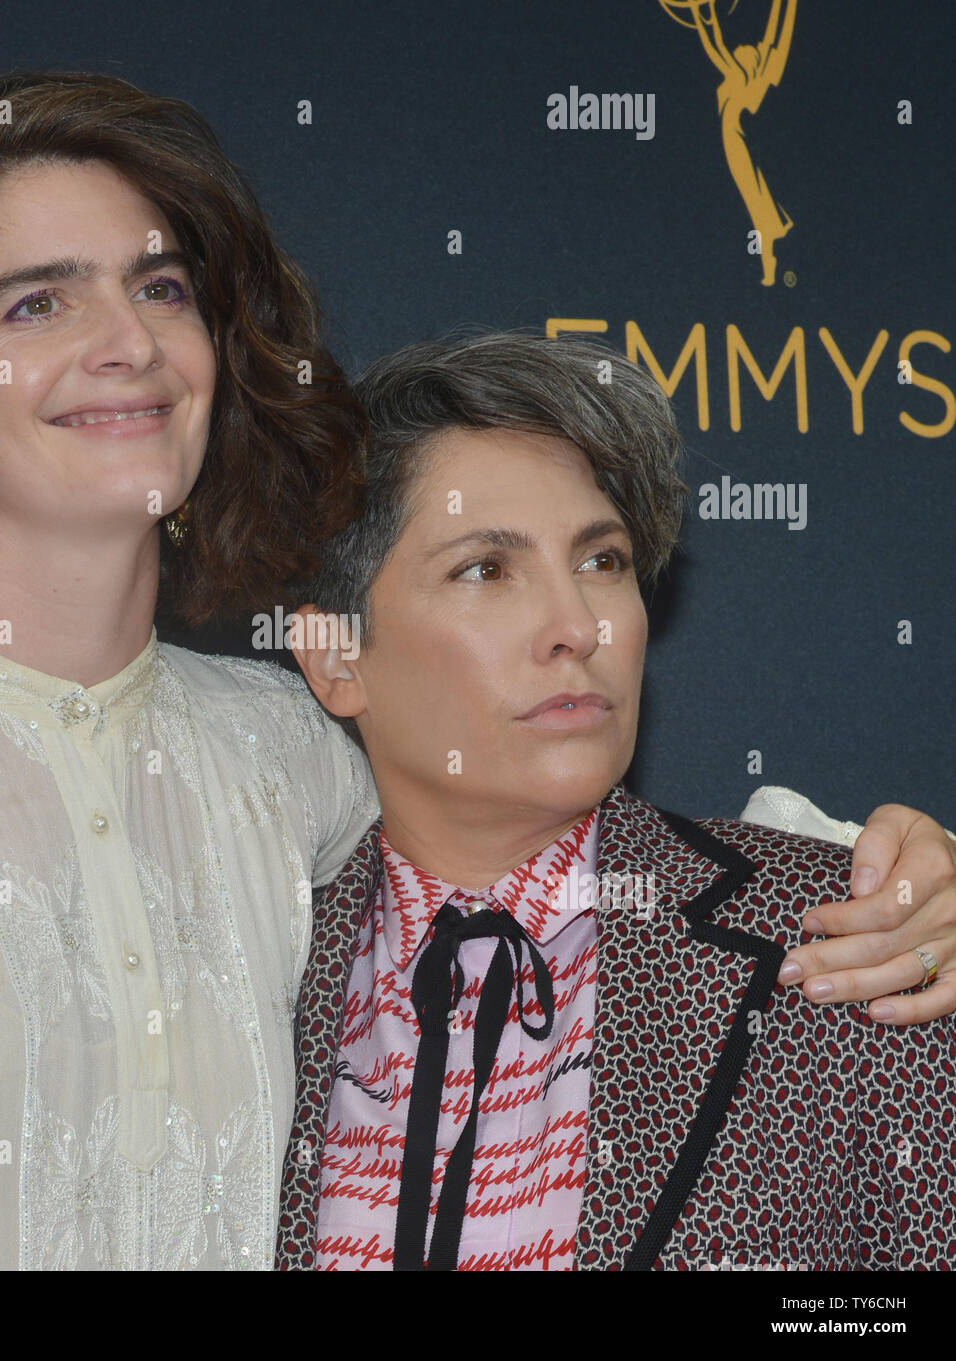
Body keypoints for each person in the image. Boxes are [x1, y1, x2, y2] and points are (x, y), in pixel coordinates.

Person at [0, 73, 951, 1273]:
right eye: (37, 301)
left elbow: (519, 817)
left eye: (161, 289)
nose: (128, 342)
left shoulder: (273, 756)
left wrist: (886, 865)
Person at [279, 332, 956, 1269]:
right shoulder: (253, 979)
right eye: (487, 568)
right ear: (335, 657)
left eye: (601, 560)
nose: (576, 626)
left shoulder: (846, 934)